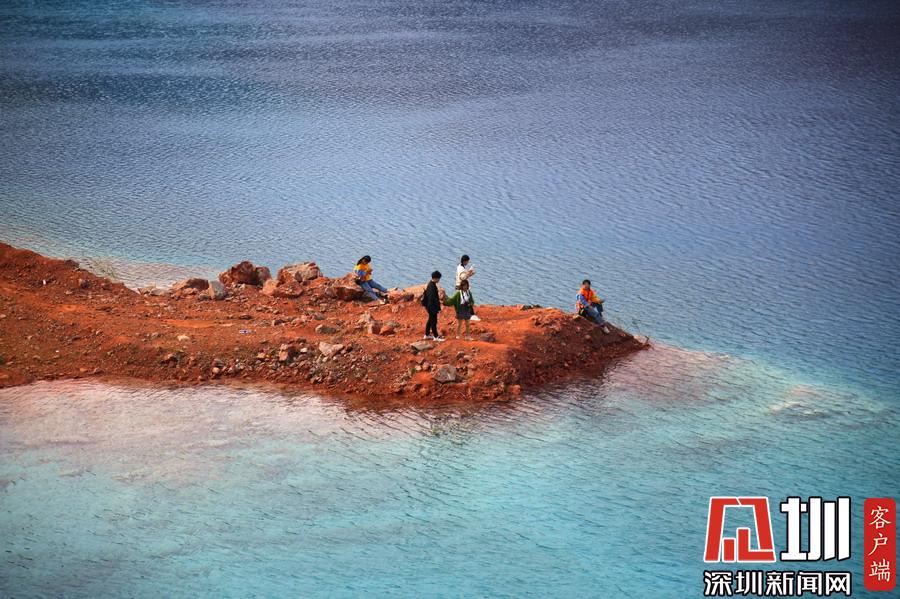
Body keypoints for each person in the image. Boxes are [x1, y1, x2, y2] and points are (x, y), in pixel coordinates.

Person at [421, 271, 445, 341]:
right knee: (434, 321)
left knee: (430, 320)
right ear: (436, 278)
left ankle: (427, 334)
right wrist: (437, 307)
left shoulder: (431, 284)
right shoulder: (432, 286)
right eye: (439, 278)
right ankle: (436, 337)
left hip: (429, 306)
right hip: (431, 307)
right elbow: (432, 298)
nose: (439, 280)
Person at [456, 254, 481, 321]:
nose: (467, 263)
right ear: (465, 261)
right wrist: (469, 273)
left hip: (461, 286)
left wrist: (469, 273)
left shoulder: (460, 266)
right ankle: (471, 315)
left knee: (465, 300)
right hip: (462, 287)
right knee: (467, 300)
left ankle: (468, 314)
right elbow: (463, 277)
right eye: (467, 261)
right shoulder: (461, 268)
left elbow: (464, 275)